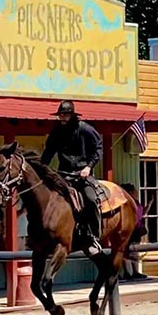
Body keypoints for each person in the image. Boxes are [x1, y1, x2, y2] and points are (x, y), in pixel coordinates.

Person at [41, 100, 104, 256]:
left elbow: (98, 148)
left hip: (82, 175)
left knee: (90, 199)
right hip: (63, 174)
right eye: (60, 115)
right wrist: (42, 169)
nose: (61, 118)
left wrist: (89, 167)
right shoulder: (56, 131)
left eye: (64, 115)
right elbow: (48, 151)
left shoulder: (85, 129)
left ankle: (93, 236)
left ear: (71, 115)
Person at [120, 183, 150, 280]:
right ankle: (127, 273)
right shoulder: (125, 203)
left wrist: (149, 205)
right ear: (129, 192)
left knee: (135, 251)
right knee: (125, 251)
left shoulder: (136, 202)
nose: (136, 193)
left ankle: (135, 272)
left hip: (137, 229)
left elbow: (141, 214)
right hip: (129, 229)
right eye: (134, 191)